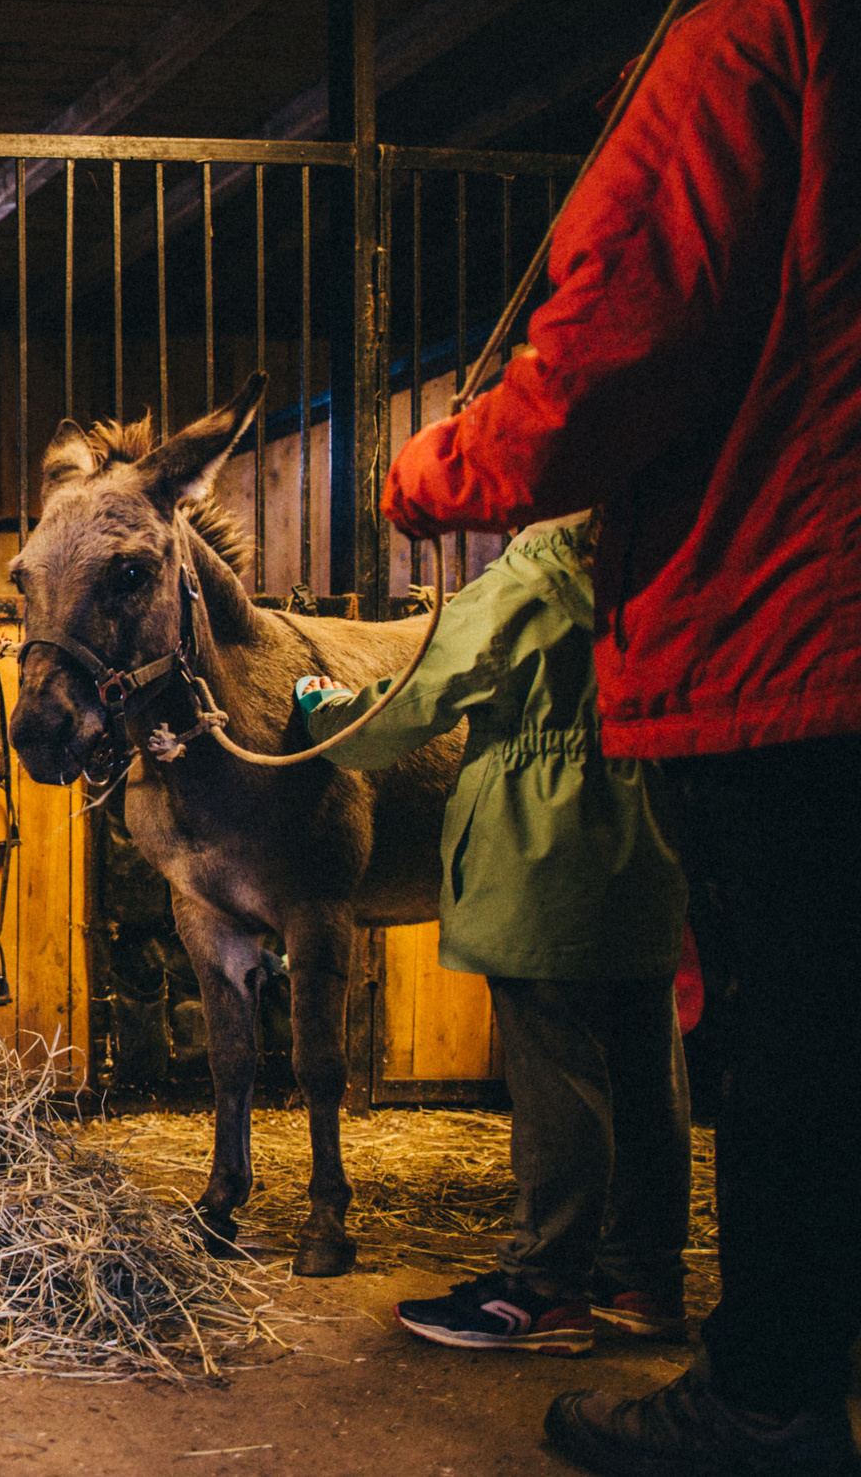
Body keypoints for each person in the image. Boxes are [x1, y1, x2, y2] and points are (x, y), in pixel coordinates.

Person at [380, 0, 861, 1470]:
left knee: (787, 1041)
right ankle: (664, 1292)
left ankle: (772, 1385)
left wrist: (435, 470)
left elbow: (605, 358)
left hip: (792, 659)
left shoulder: (764, 34)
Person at [294, 515, 691, 1357]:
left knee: (558, 1080)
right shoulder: (659, 562)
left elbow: (407, 710)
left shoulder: (519, 587)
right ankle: (643, 1277)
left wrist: (326, 709)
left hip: (543, 854)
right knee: (645, 1071)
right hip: (648, 840)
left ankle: (541, 1289)